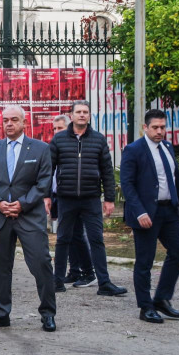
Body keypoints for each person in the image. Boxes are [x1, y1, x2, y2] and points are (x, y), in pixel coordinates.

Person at [0, 105, 57, 332]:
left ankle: (48, 313)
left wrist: (22, 204)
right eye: (5, 120)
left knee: (41, 264)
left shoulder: (40, 149)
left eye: (14, 120)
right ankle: (1, 313)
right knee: (1, 267)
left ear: (24, 122)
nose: (9, 124)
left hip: (29, 216)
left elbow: (43, 183)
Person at [121, 109, 179, 324]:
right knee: (145, 261)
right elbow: (127, 184)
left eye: (163, 127)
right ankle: (145, 307)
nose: (160, 131)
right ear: (145, 127)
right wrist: (139, 211)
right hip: (146, 213)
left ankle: (162, 299)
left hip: (169, 210)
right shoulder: (133, 150)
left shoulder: (167, 147)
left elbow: (175, 179)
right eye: (155, 127)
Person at [50, 104, 127, 297]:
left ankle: (104, 283)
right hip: (66, 198)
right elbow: (48, 169)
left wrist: (109, 199)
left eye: (85, 112)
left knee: (96, 240)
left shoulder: (98, 139)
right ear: (72, 115)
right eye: (78, 112)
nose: (82, 115)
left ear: (89, 116)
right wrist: (45, 196)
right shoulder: (59, 139)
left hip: (91, 198)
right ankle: (57, 281)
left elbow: (107, 171)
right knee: (62, 240)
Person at [49, 115, 95, 289]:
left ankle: (89, 272)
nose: (56, 132)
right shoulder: (56, 147)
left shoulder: (75, 148)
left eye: (59, 128)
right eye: (54, 129)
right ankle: (75, 271)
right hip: (59, 196)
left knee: (75, 236)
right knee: (72, 236)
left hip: (75, 198)